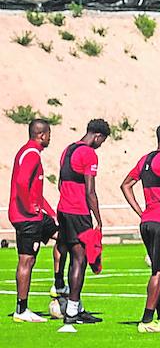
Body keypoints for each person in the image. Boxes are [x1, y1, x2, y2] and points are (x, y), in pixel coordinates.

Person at [119, 123, 160, 333]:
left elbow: (126, 185)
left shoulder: (145, 159)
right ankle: (146, 321)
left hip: (147, 222)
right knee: (159, 271)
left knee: (159, 268)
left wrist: (141, 212)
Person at [54, 119, 111, 331]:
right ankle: (72, 312)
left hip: (63, 209)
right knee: (80, 259)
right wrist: (98, 218)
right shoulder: (88, 154)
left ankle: (76, 307)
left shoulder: (68, 150)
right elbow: (90, 191)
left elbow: (60, 183)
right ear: (97, 136)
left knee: (72, 256)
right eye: (102, 141)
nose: (100, 145)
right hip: (78, 211)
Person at [9, 119, 59, 323]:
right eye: (49, 135)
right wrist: (30, 208)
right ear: (42, 135)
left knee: (64, 235)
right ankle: (21, 309)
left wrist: (51, 213)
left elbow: (34, 190)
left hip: (35, 216)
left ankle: (59, 286)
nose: (50, 138)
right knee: (27, 260)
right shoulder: (31, 154)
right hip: (26, 217)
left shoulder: (29, 152)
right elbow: (21, 183)